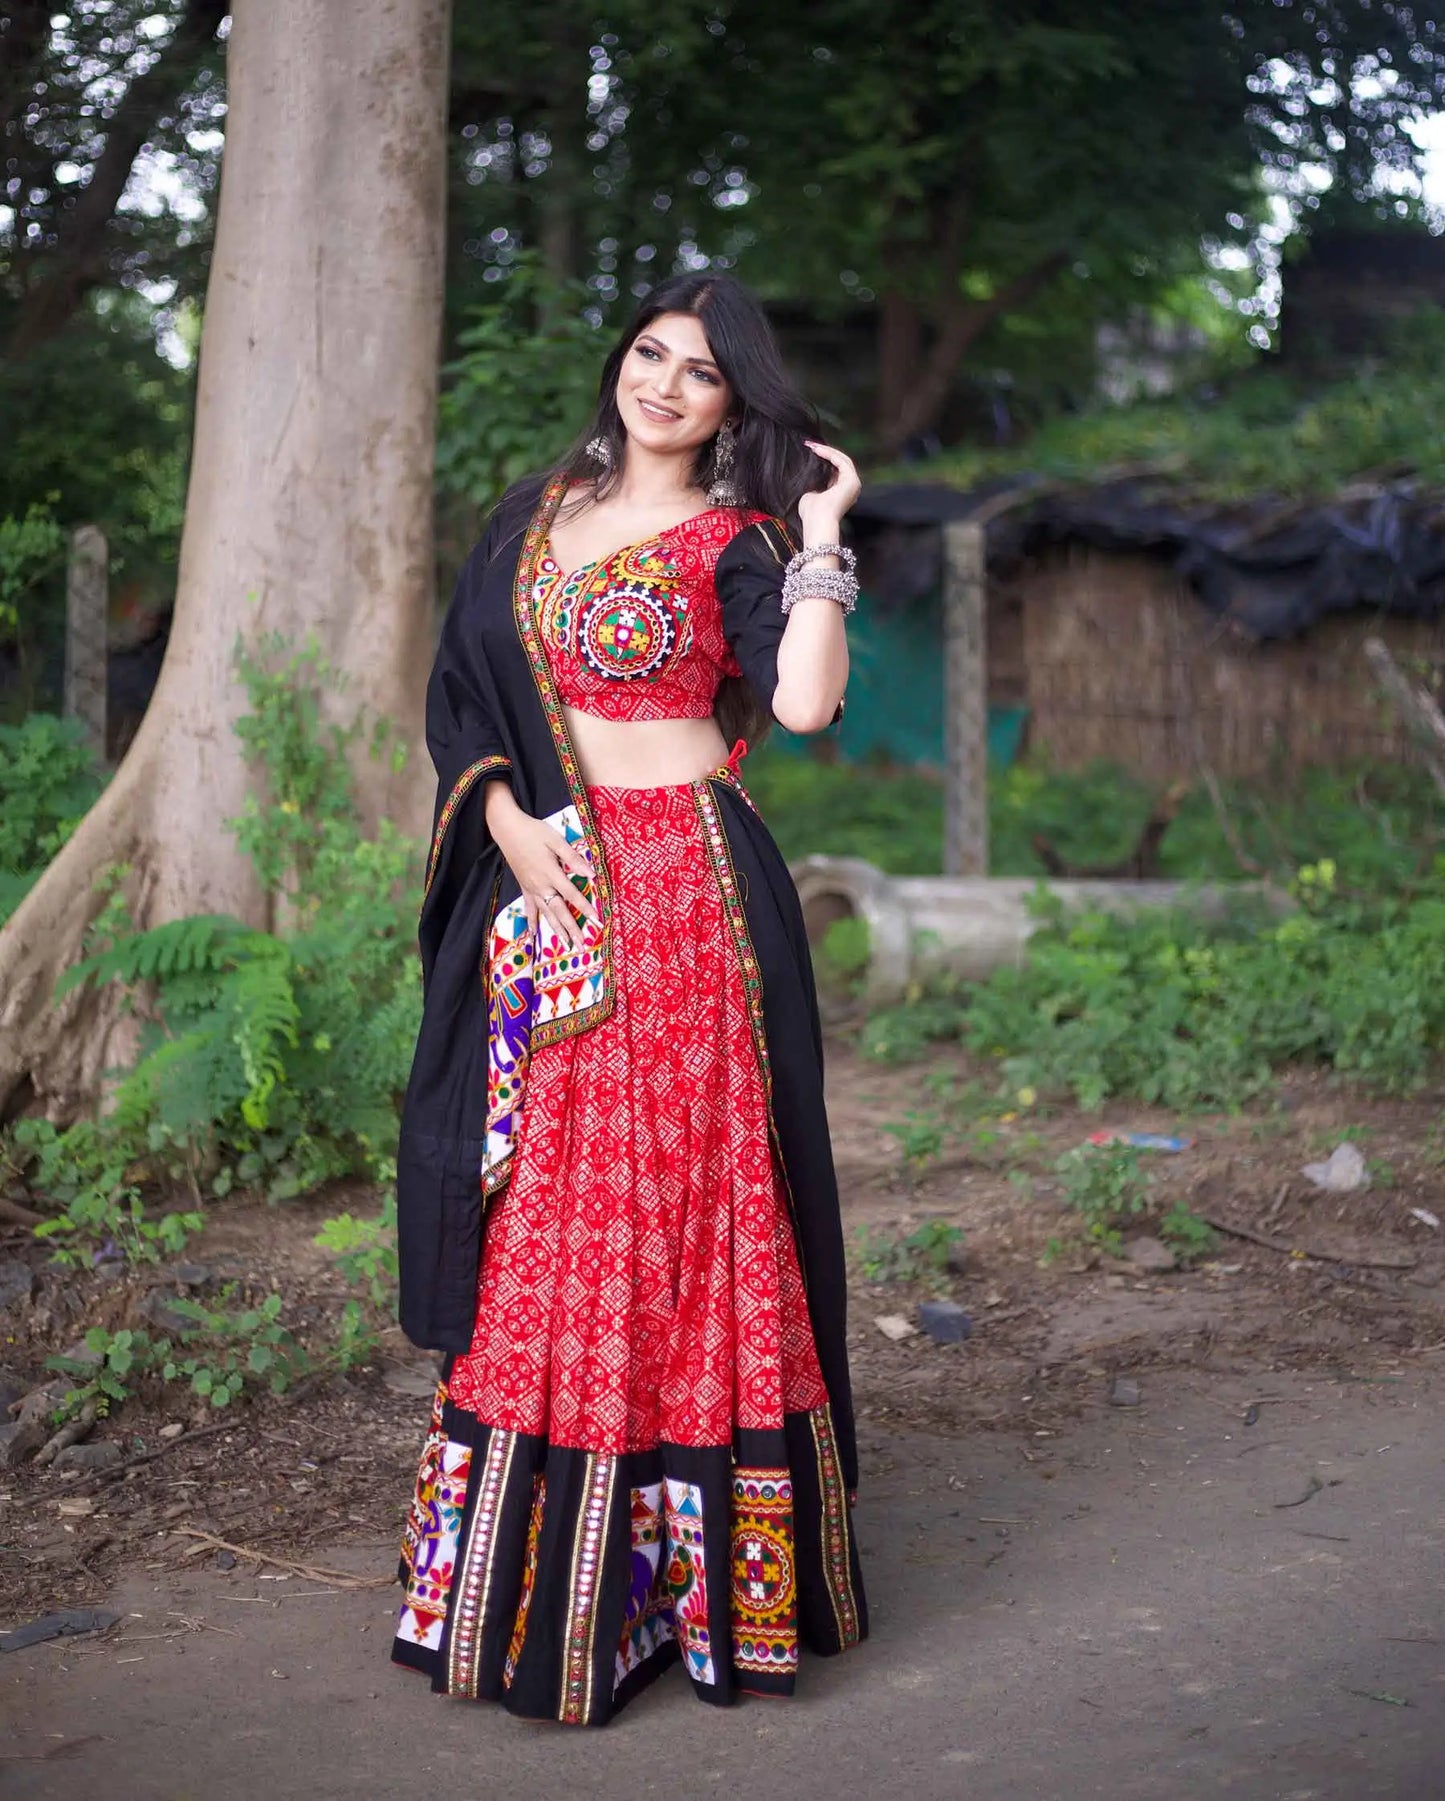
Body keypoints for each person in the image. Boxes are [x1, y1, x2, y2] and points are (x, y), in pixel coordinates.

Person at [390, 271, 867, 1727]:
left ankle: (696, 1585)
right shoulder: (532, 519)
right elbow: (462, 698)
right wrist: (502, 821)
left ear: (734, 401)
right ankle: (538, 1584)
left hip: (689, 896)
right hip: (553, 892)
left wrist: (824, 541)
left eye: (701, 370)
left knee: (687, 1208)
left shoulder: (736, 541)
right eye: (650, 353)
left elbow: (801, 706)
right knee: (552, 1205)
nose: (663, 383)